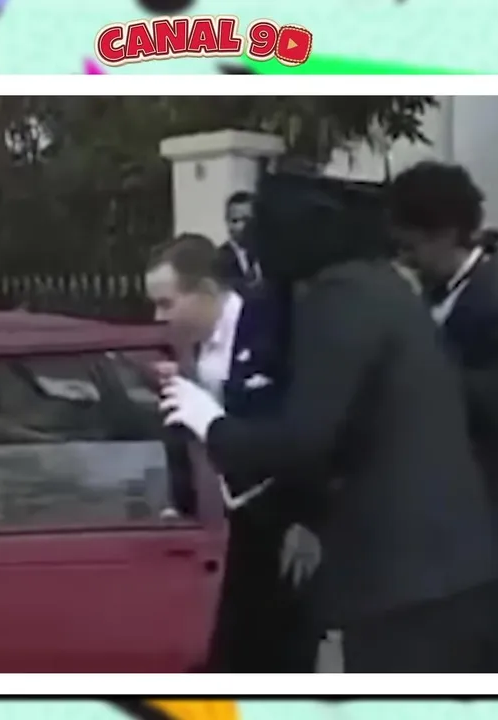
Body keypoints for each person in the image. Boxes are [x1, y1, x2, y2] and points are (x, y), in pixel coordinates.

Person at [159, 174, 498, 672]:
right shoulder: (375, 285)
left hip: (406, 574)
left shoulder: (338, 299)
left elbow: (306, 437)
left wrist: (211, 424)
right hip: (440, 565)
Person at [388, 161, 498, 672]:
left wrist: (411, 357)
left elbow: (491, 411)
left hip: (487, 534)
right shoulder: (431, 294)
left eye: (411, 247)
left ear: (447, 233)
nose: (405, 260)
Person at [144, 232, 318, 673]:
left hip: (278, 524)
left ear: (205, 291)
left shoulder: (274, 330)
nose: (158, 317)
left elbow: (308, 430)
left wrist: (308, 520)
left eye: (166, 303)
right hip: (219, 531)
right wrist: (179, 503)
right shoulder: (182, 351)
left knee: (278, 660)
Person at [215, 191, 263, 291]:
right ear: (227, 222)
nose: (242, 226)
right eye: (235, 221)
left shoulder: (271, 256)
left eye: (247, 220)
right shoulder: (219, 260)